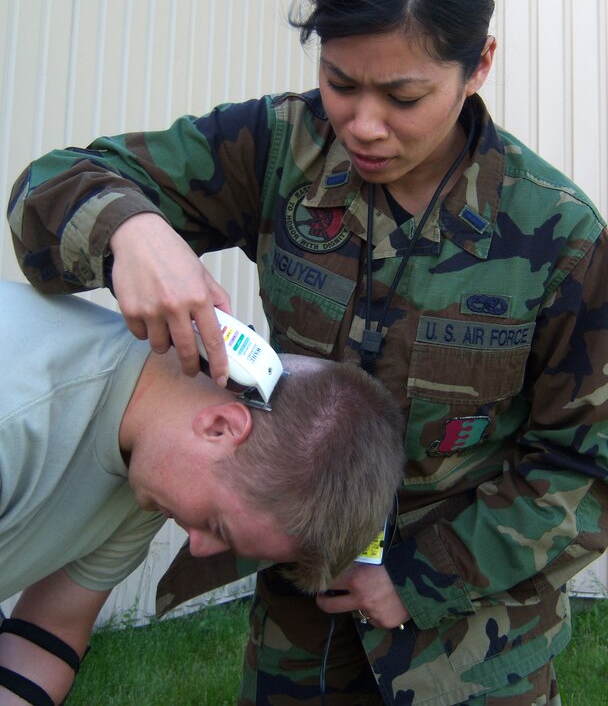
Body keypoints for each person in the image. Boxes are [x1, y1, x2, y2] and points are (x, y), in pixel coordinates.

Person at [6, 0, 608, 706]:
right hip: (300, 633)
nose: (363, 126)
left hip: (470, 646)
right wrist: (130, 228)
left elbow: (589, 468)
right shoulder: (277, 149)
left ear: (478, 67)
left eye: (403, 96)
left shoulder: (555, 235)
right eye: (339, 83)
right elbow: (48, 189)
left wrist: (421, 577)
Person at [0, 280, 404, 706]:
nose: (198, 546)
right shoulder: (18, 412)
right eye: (217, 526)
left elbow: (49, 631)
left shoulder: (147, 478)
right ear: (220, 428)